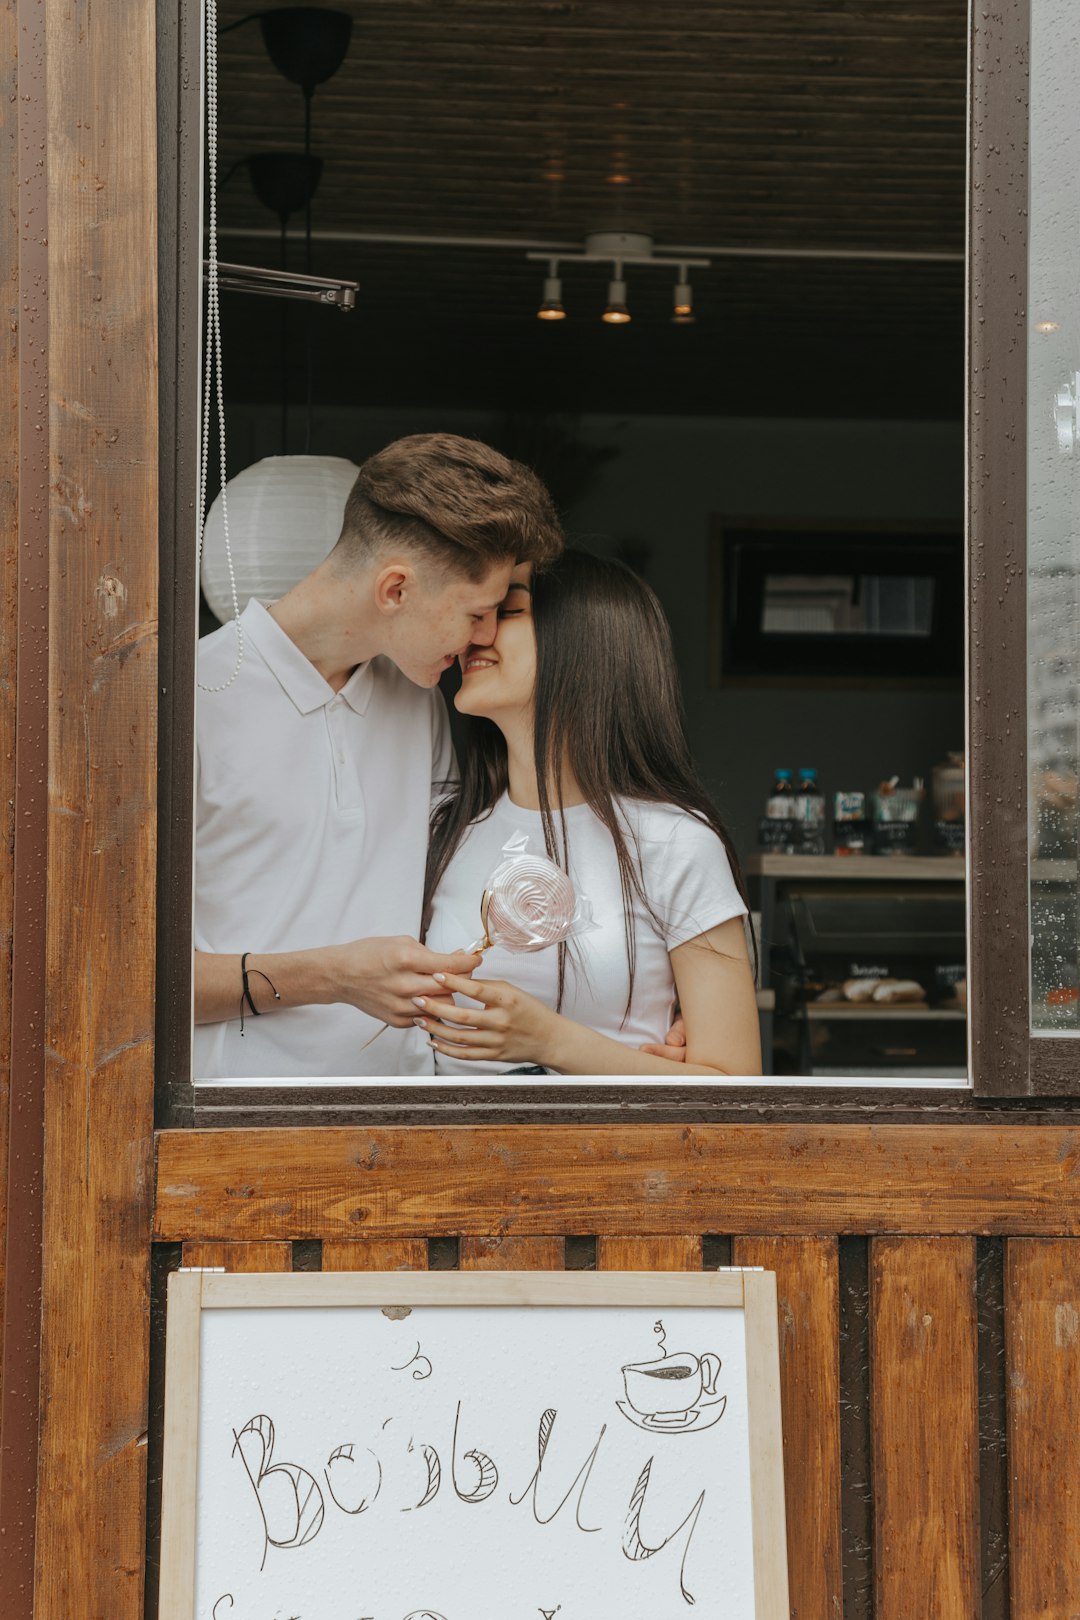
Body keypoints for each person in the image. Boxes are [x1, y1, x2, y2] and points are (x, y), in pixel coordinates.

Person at [193, 433, 565, 1080]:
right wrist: (332, 975)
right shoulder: (189, 700)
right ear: (395, 589)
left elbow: (464, 894)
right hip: (232, 1122)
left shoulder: (416, 694)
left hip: (410, 1104)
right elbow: (114, 982)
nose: (485, 636)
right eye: (477, 612)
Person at [415, 551, 762, 1078]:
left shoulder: (677, 843)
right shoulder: (442, 831)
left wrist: (552, 1043)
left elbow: (735, 1089)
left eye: (505, 611)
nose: (473, 634)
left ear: (586, 643)